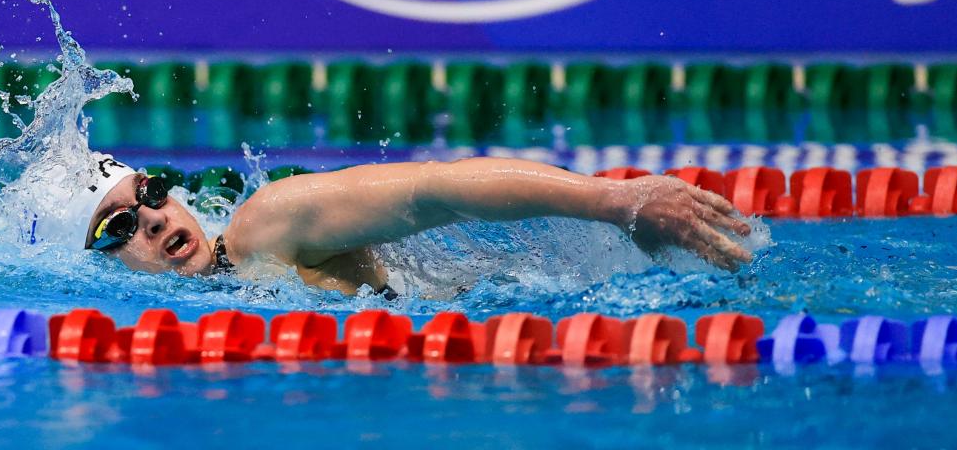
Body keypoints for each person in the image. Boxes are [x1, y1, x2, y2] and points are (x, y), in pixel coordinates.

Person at [72, 155, 753, 296]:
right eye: (117, 227)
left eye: (151, 193)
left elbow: (439, 187)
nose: (154, 221)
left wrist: (616, 202)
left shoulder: (264, 225)